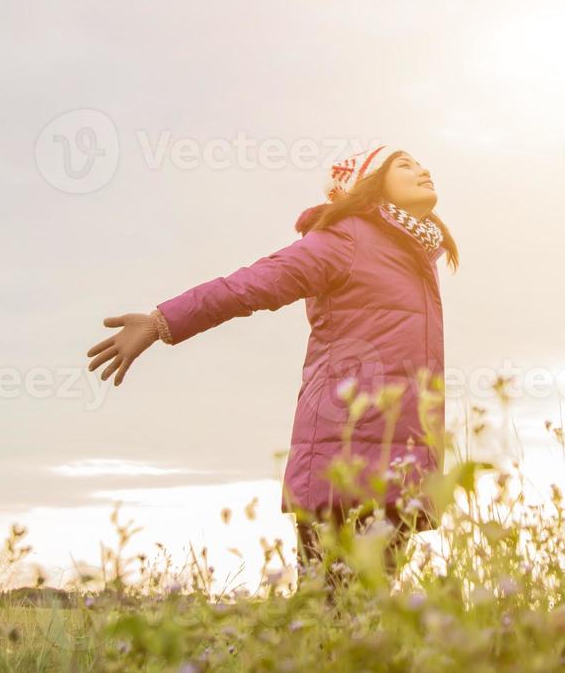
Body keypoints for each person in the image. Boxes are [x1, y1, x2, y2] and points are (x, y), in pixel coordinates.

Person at [85, 145, 458, 596]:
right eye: (405, 164)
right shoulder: (346, 238)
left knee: (366, 626)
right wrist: (163, 321)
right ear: (370, 181)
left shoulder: (415, 254)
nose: (423, 169)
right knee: (333, 617)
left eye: (420, 163)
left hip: (401, 464)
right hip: (343, 460)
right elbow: (252, 283)